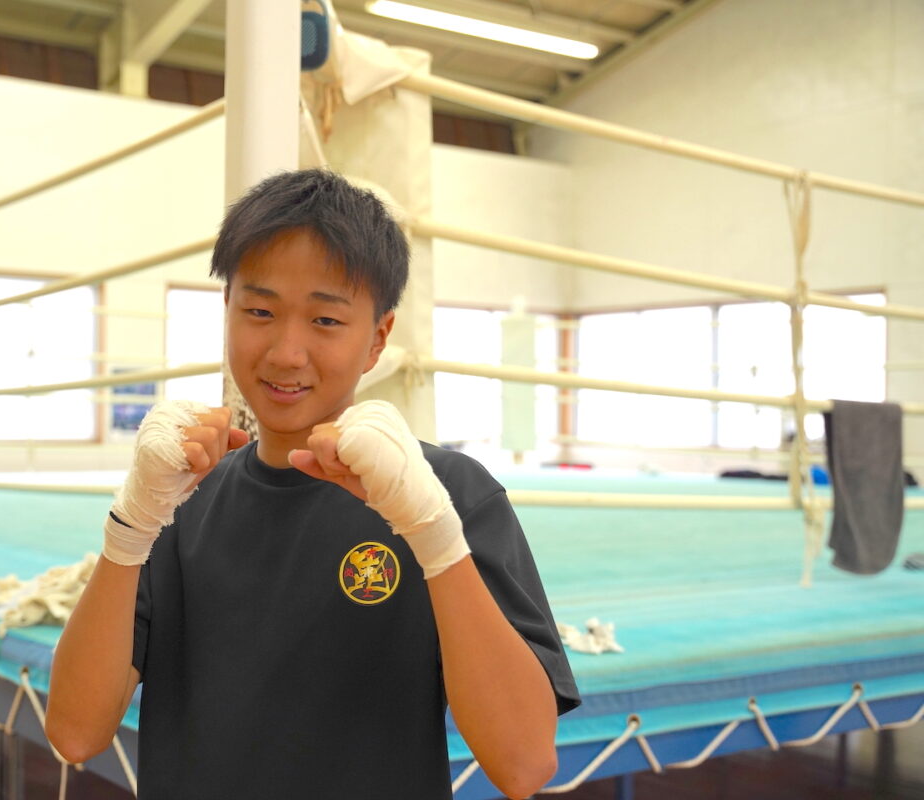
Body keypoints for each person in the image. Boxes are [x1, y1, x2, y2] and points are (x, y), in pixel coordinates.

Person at [47, 169, 580, 799]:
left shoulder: (452, 494)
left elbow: (522, 765)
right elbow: (75, 732)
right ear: (228, 312)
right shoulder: (180, 500)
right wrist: (133, 523)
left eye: (326, 321)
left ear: (377, 339)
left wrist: (435, 536)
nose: (286, 352)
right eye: (260, 311)